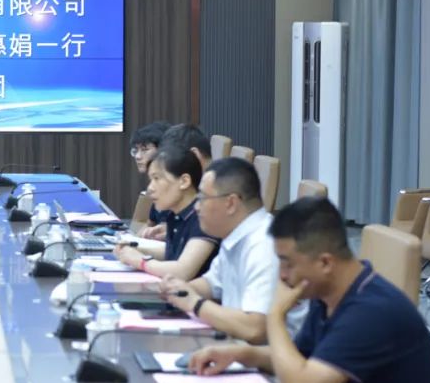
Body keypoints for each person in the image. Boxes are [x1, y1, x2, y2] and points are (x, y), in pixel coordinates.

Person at [189, 198, 430, 383]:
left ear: (325, 262)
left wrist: (275, 315)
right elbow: (301, 359)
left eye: (287, 263)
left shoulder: (371, 312)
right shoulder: (328, 295)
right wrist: (242, 354)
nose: (282, 275)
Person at [160, 157, 306, 343]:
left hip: (268, 357)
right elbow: (212, 283)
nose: (196, 207)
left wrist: (195, 304)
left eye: (202, 198)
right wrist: (179, 289)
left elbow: (255, 328)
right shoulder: (236, 234)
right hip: (236, 346)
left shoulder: (264, 245)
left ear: (231, 203)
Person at [114, 146, 220, 280]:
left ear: (184, 181)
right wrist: (136, 249)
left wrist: (141, 261)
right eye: (150, 180)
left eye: (157, 178)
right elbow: (174, 252)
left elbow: (182, 271)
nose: (150, 188)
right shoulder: (175, 214)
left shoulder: (203, 216)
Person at [129, 121, 170, 239]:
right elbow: (148, 224)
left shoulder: (172, 189)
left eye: (144, 149)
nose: (137, 156)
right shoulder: (156, 188)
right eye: (136, 150)